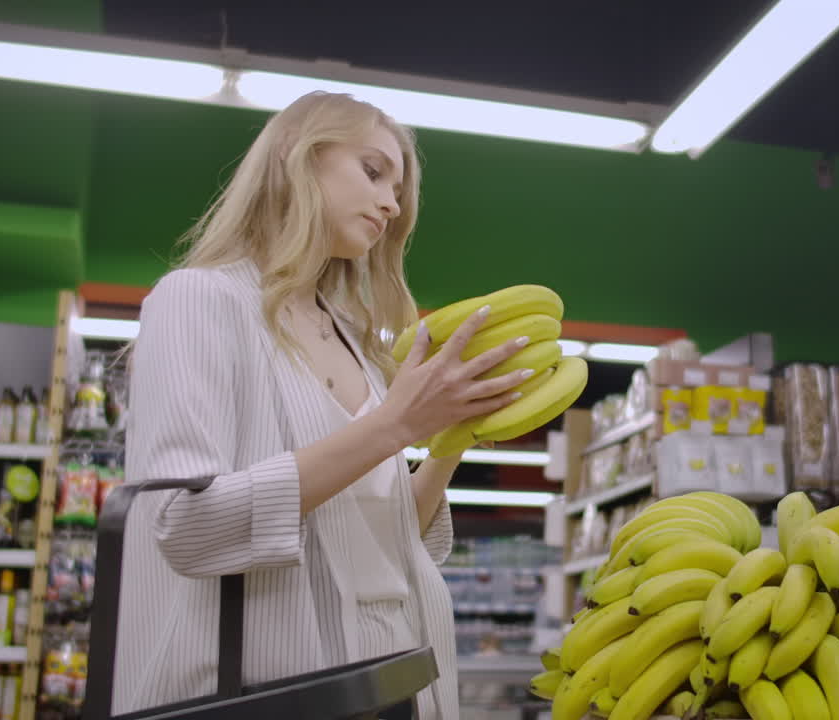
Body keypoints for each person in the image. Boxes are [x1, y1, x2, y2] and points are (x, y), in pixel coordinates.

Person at [113, 91, 531, 719]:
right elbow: (186, 526)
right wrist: (394, 425)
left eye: (398, 189)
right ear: (298, 157)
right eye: (373, 171)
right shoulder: (199, 300)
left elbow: (388, 541)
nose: (392, 204)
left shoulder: (354, 340)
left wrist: (452, 436)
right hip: (274, 690)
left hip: (394, 678)